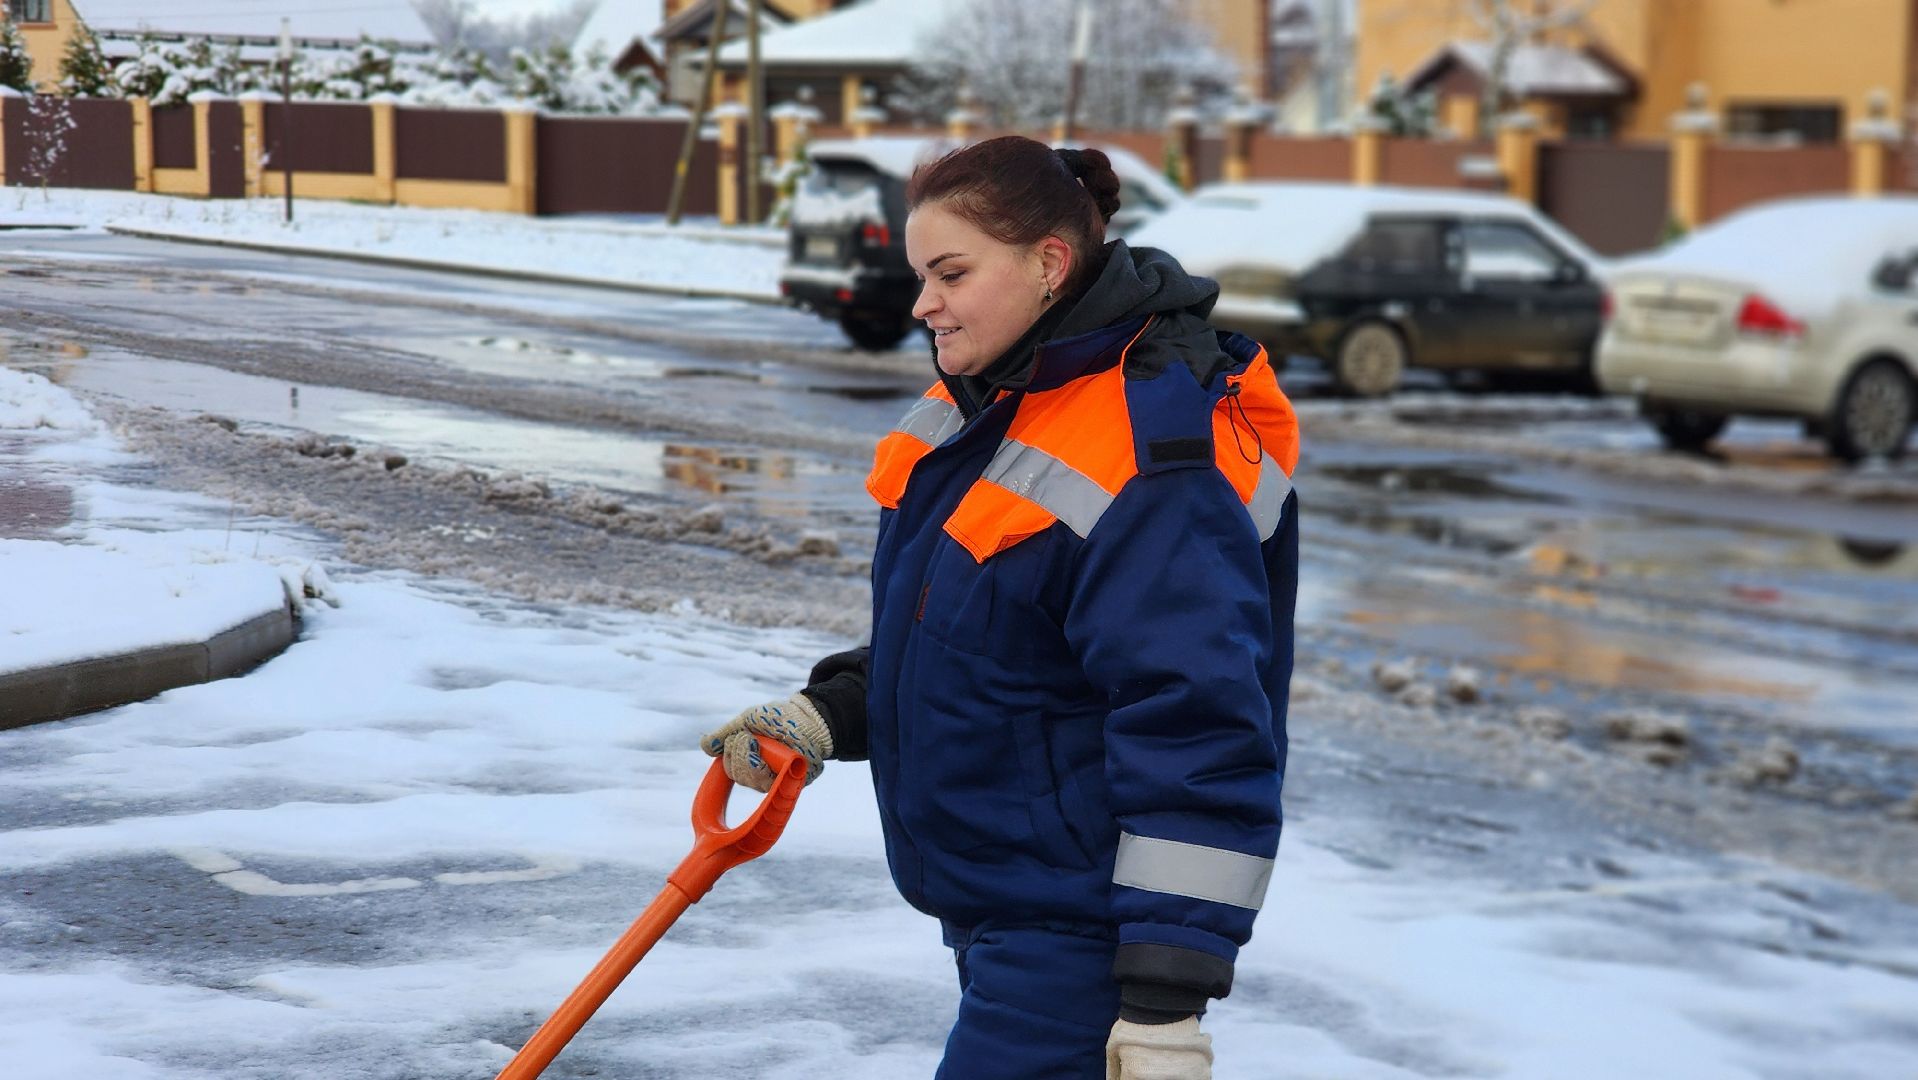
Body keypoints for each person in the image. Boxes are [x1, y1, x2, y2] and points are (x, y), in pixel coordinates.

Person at [702, 135, 1299, 1080]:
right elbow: (985, 630)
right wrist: (835, 709)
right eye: (919, 274)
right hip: (1001, 906)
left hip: (1082, 930)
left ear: (1049, 264)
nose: (922, 303)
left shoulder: (1150, 455)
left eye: (951, 272)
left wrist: (1163, 1002)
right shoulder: (996, 399)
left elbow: (1198, 725)